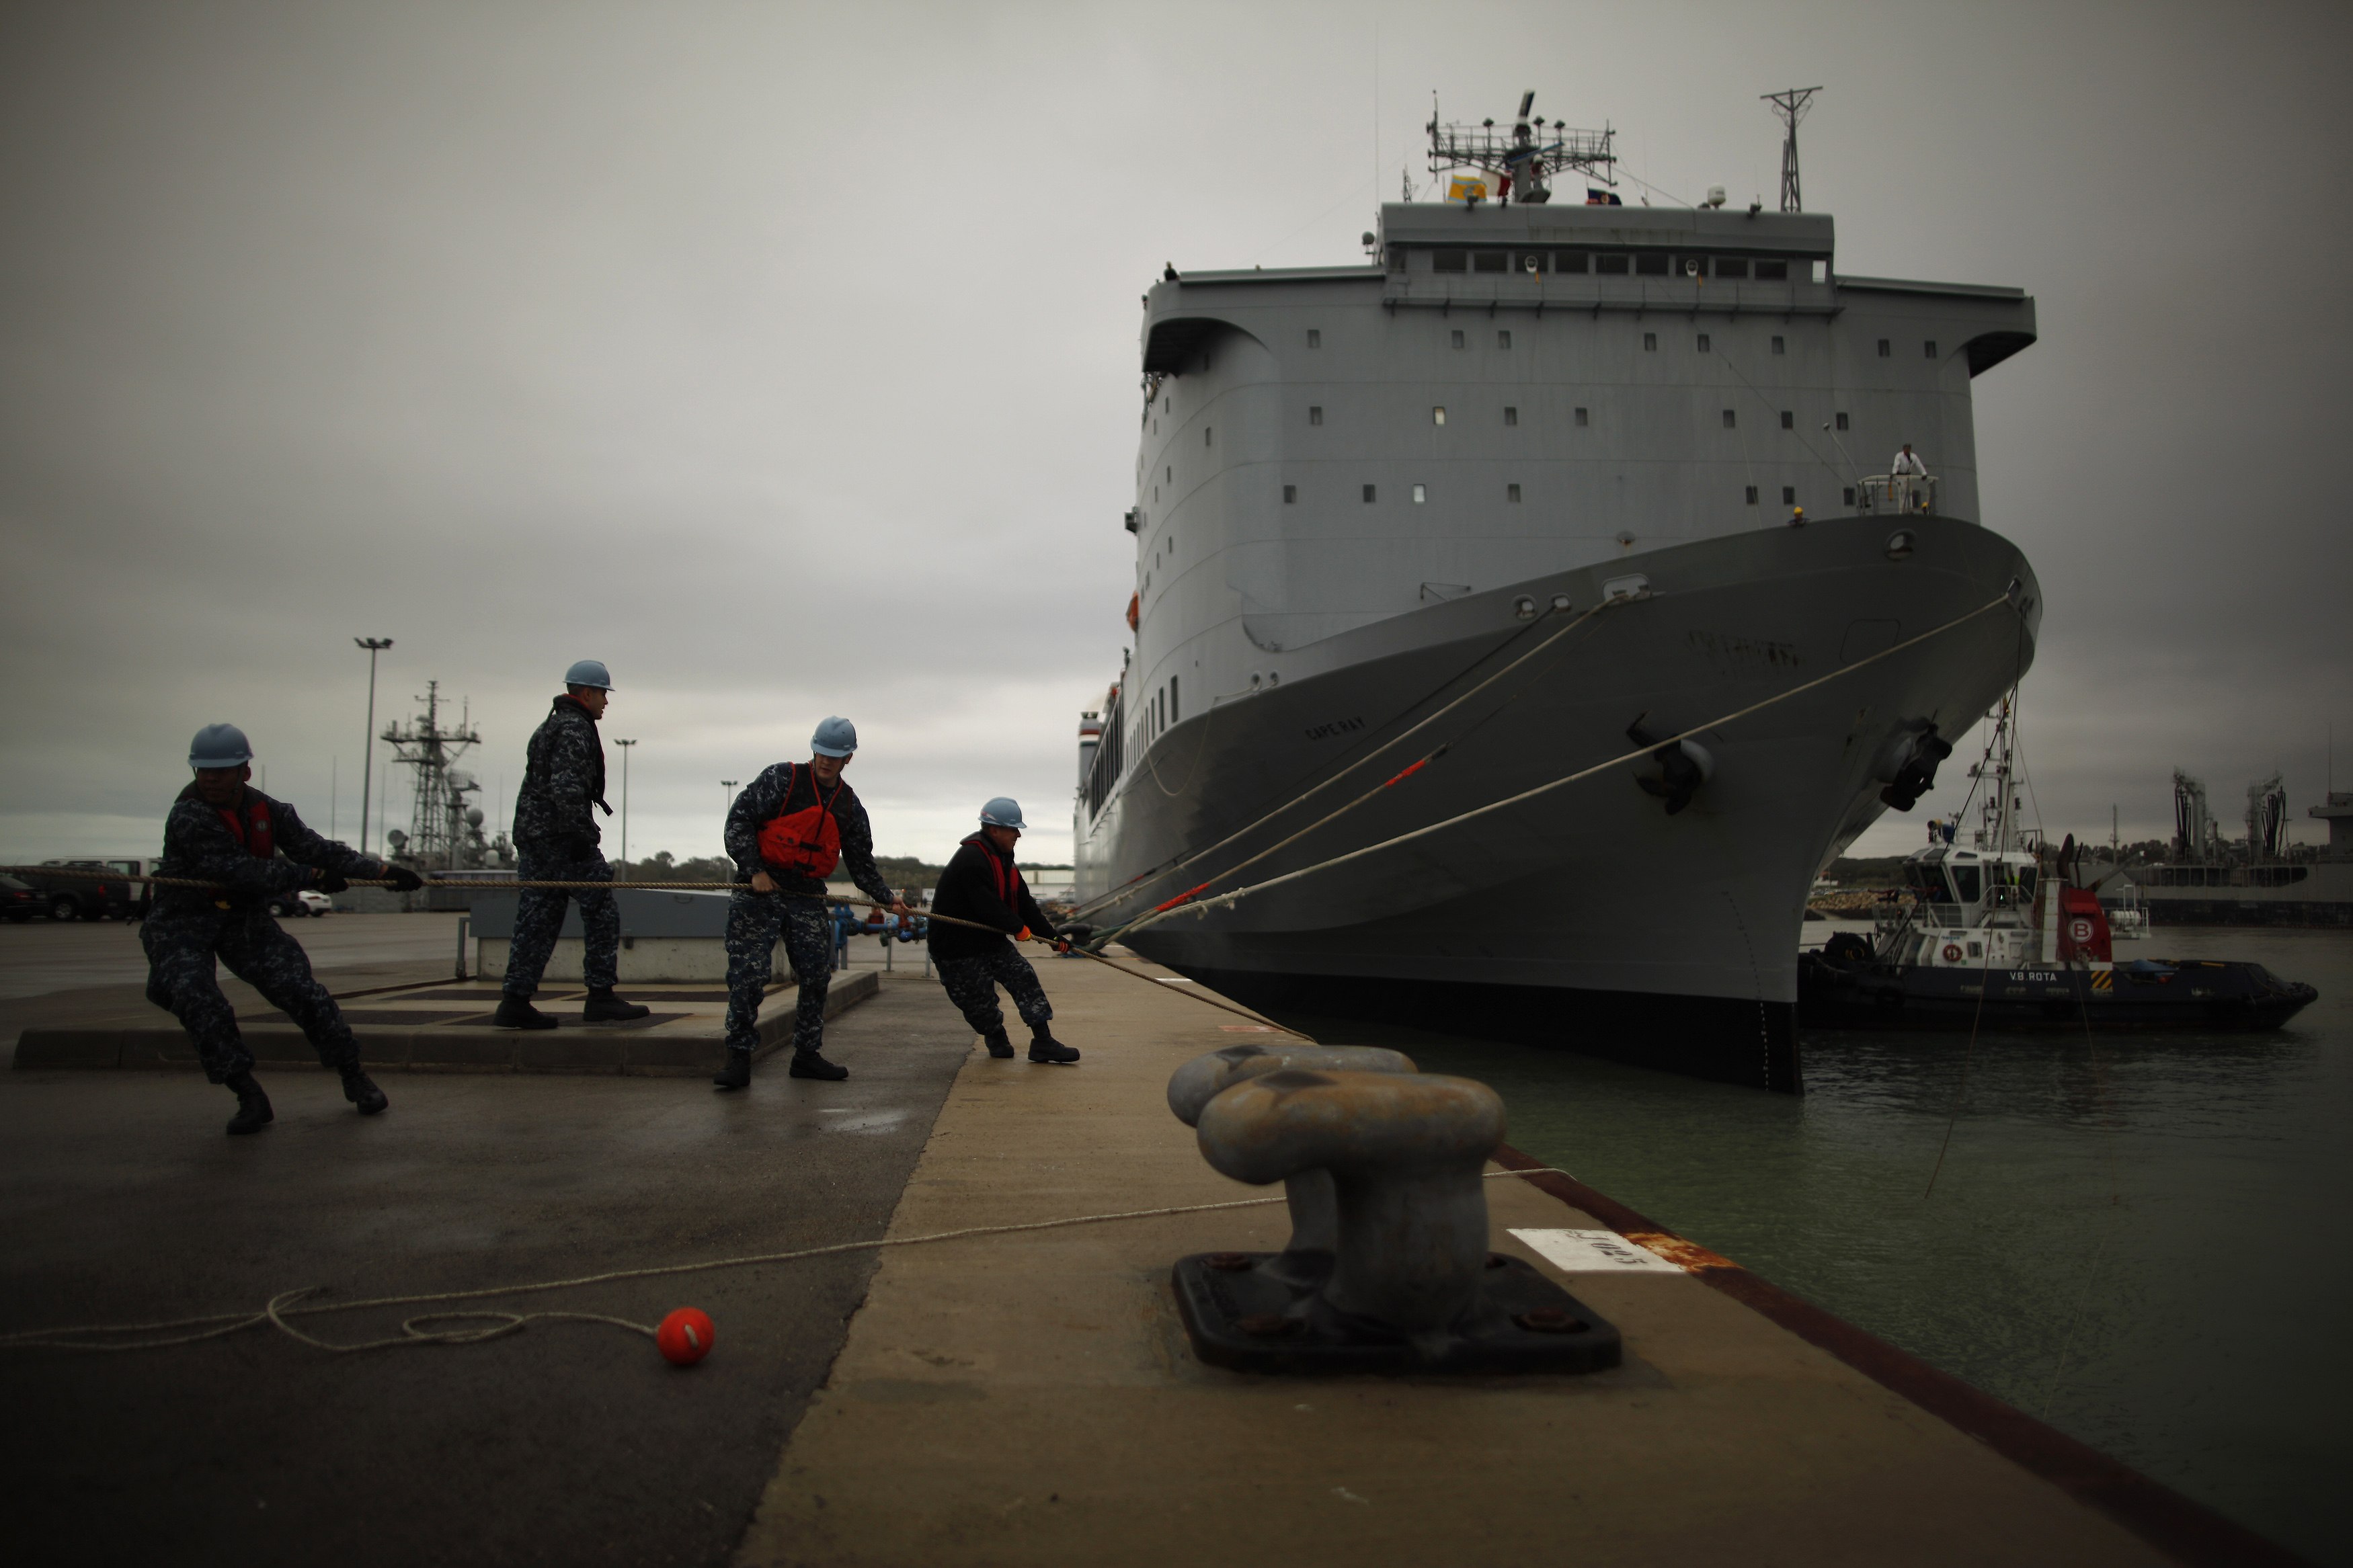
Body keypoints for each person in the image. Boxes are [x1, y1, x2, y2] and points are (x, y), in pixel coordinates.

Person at [143, 723, 423, 1134]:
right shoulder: (189, 814)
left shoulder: (271, 812)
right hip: (183, 920)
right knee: (196, 998)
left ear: (245, 772)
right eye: (203, 771)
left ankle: (353, 1075)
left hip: (242, 918)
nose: (211, 779)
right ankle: (247, 1094)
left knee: (302, 991)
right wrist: (312, 876)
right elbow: (235, 870)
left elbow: (317, 849)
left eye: (221, 771)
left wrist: (383, 871)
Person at [713, 716, 906, 1088]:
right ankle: (738, 1058)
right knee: (748, 976)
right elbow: (739, 821)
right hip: (759, 890)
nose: (826, 761)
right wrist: (754, 870)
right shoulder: (780, 779)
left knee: (817, 975)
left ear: (848, 758)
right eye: (821, 753)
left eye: (835, 756)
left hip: (806, 894)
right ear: (813, 749)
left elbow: (861, 861)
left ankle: (806, 1055)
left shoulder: (849, 806)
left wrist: (886, 897)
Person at [493, 659, 651, 1030]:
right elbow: (566, 787)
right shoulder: (574, 729)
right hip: (561, 837)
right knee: (601, 907)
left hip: (534, 836)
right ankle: (600, 996)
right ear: (586, 693)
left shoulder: (549, 725)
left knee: (538, 918)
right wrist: (581, 836)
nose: (606, 703)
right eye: (603, 695)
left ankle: (515, 1000)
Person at [928, 798, 1079, 1065]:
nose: (1018, 835)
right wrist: (1017, 928)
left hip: (989, 941)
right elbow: (987, 904)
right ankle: (995, 1034)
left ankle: (1043, 1042)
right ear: (994, 829)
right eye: (1014, 829)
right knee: (979, 1004)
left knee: (1024, 976)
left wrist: (1053, 938)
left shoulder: (1003, 858)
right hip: (956, 947)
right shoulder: (971, 859)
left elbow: (1024, 903)